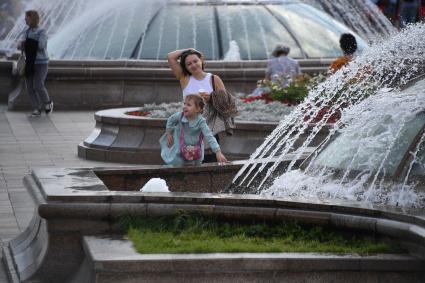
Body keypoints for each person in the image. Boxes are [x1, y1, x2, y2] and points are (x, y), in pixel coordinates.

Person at [167, 48, 237, 163]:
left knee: (210, 163)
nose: (193, 65)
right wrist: (189, 50)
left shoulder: (214, 79)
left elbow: (226, 103)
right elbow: (170, 57)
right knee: (188, 162)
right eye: (189, 64)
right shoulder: (185, 79)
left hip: (209, 128)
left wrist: (211, 98)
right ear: (186, 67)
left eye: (195, 61)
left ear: (201, 60)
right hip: (188, 130)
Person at [159, 94, 227, 166]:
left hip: (195, 148)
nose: (184, 106)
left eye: (188, 105)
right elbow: (170, 120)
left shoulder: (201, 121)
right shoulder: (180, 116)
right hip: (179, 146)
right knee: (177, 163)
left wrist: (218, 152)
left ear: (198, 109)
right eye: (184, 103)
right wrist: (169, 133)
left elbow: (209, 136)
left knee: (196, 164)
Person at [18, 10, 53, 117]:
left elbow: (41, 46)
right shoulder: (26, 30)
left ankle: (48, 103)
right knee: (29, 87)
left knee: (38, 85)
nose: (25, 19)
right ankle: (36, 108)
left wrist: (26, 43)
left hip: (41, 62)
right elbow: (22, 45)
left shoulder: (42, 31)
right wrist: (21, 45)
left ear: (32, 18)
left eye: (26, 17)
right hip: (29, 62)